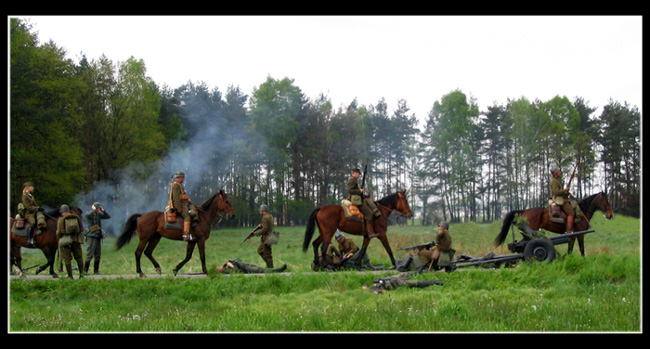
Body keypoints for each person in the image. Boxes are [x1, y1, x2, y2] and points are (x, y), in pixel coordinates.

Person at [347, 167, 380, 238]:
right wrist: (360, 191)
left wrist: (364, 195)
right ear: (355, 173)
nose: (359, 175)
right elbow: (350, 190)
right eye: (358, 174)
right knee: (369, 214)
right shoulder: (352, 180)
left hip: (358, 198)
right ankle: (370, 232)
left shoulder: (354, 180)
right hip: (356, 201)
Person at [56, 205, 84, 279]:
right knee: (79, 257)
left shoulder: (61, 219)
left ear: (62, 212)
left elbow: (59, 232)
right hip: (76, 240)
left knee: (67, 259)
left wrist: (58, 238)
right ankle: (81, 274)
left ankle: (70, 276)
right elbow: (81, 228)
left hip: (66, 241)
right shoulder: (76, 217)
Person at [83, 202, 111, 275]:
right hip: (91, 235)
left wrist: (103, 210)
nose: (98, 209)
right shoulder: (89, 213)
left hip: (98, 235)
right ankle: (85, 270)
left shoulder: (99, 214)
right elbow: (87, 215)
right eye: (97, 208)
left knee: (98, 254)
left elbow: (108, 216)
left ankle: (96, 270)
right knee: (90, 253)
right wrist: (94, 210)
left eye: (99, 208)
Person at [169, 170, 197, 241]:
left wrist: (187, 198)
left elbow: (182, 195)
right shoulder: (176, 185)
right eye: (183, 178)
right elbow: (176, 197)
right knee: (187, 216)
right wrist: (178, 208)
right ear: (180, 177)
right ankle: (186, 235)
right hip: (180, 205)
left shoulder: (179, 185)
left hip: (184, 204)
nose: (184, 179)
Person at [362, 272, 443, 294]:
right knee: (415, 283)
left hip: (391, 278)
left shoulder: (373, 286)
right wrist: (381, 291)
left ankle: (421, 272)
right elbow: (386, 292)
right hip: (395, 281)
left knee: (405, 274)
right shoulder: (376, 290)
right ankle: (435, 282)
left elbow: (364, 287)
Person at [550, 167, 575, 233]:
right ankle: (569, 230)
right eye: (558, 171)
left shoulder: (557, 181)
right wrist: (565, 190)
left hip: (562, 198)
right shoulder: (554, 181)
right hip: (559, 200)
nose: (560, 172)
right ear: (555, 174)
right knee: (571, 212)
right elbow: (556, 192)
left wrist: (568, 192)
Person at [216, 259, 287, 274]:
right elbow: (238, 271)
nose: (219, 267)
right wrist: (231, 266)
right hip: (246, 269)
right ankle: (278, 270)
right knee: (261, 270)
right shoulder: (226, 272)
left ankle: (275, 269)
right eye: (218, 269)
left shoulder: (225, 265)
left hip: (244, 264)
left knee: (259, 268)